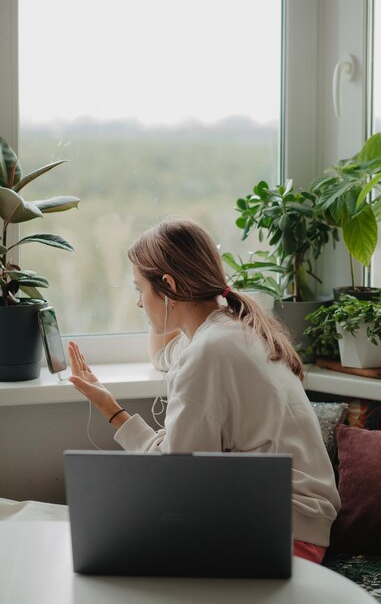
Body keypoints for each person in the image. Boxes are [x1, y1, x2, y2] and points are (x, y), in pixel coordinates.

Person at [68, 217, 340, 565]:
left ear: (168, 285)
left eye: (139, 289)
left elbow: (177, 477)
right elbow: (163, 355)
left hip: (282, 532)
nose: (138, 303)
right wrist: (168, 302)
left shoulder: (208, 353)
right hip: (298, 522)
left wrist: (110, 410)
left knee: (110, 547)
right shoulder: (230, 325)